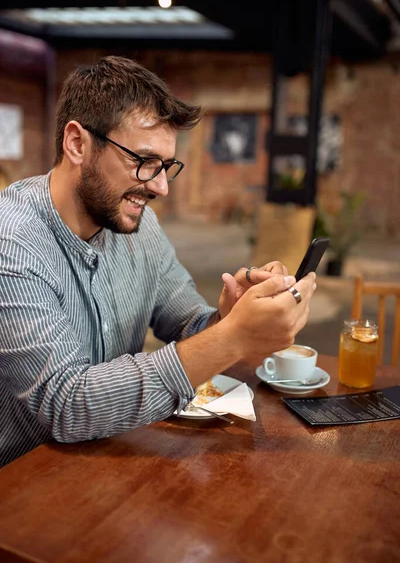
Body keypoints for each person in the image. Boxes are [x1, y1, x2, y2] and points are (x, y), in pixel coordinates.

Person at [0, 55, 316, 467]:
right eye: (144, 162)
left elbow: (185, 322)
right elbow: (66, 403)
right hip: (22, 485)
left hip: (107, 461)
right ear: (77, 143)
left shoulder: (139, 226)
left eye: (166, 166)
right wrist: (233, 338)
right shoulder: (13, 240)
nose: (161, 188)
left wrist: (230, 316)